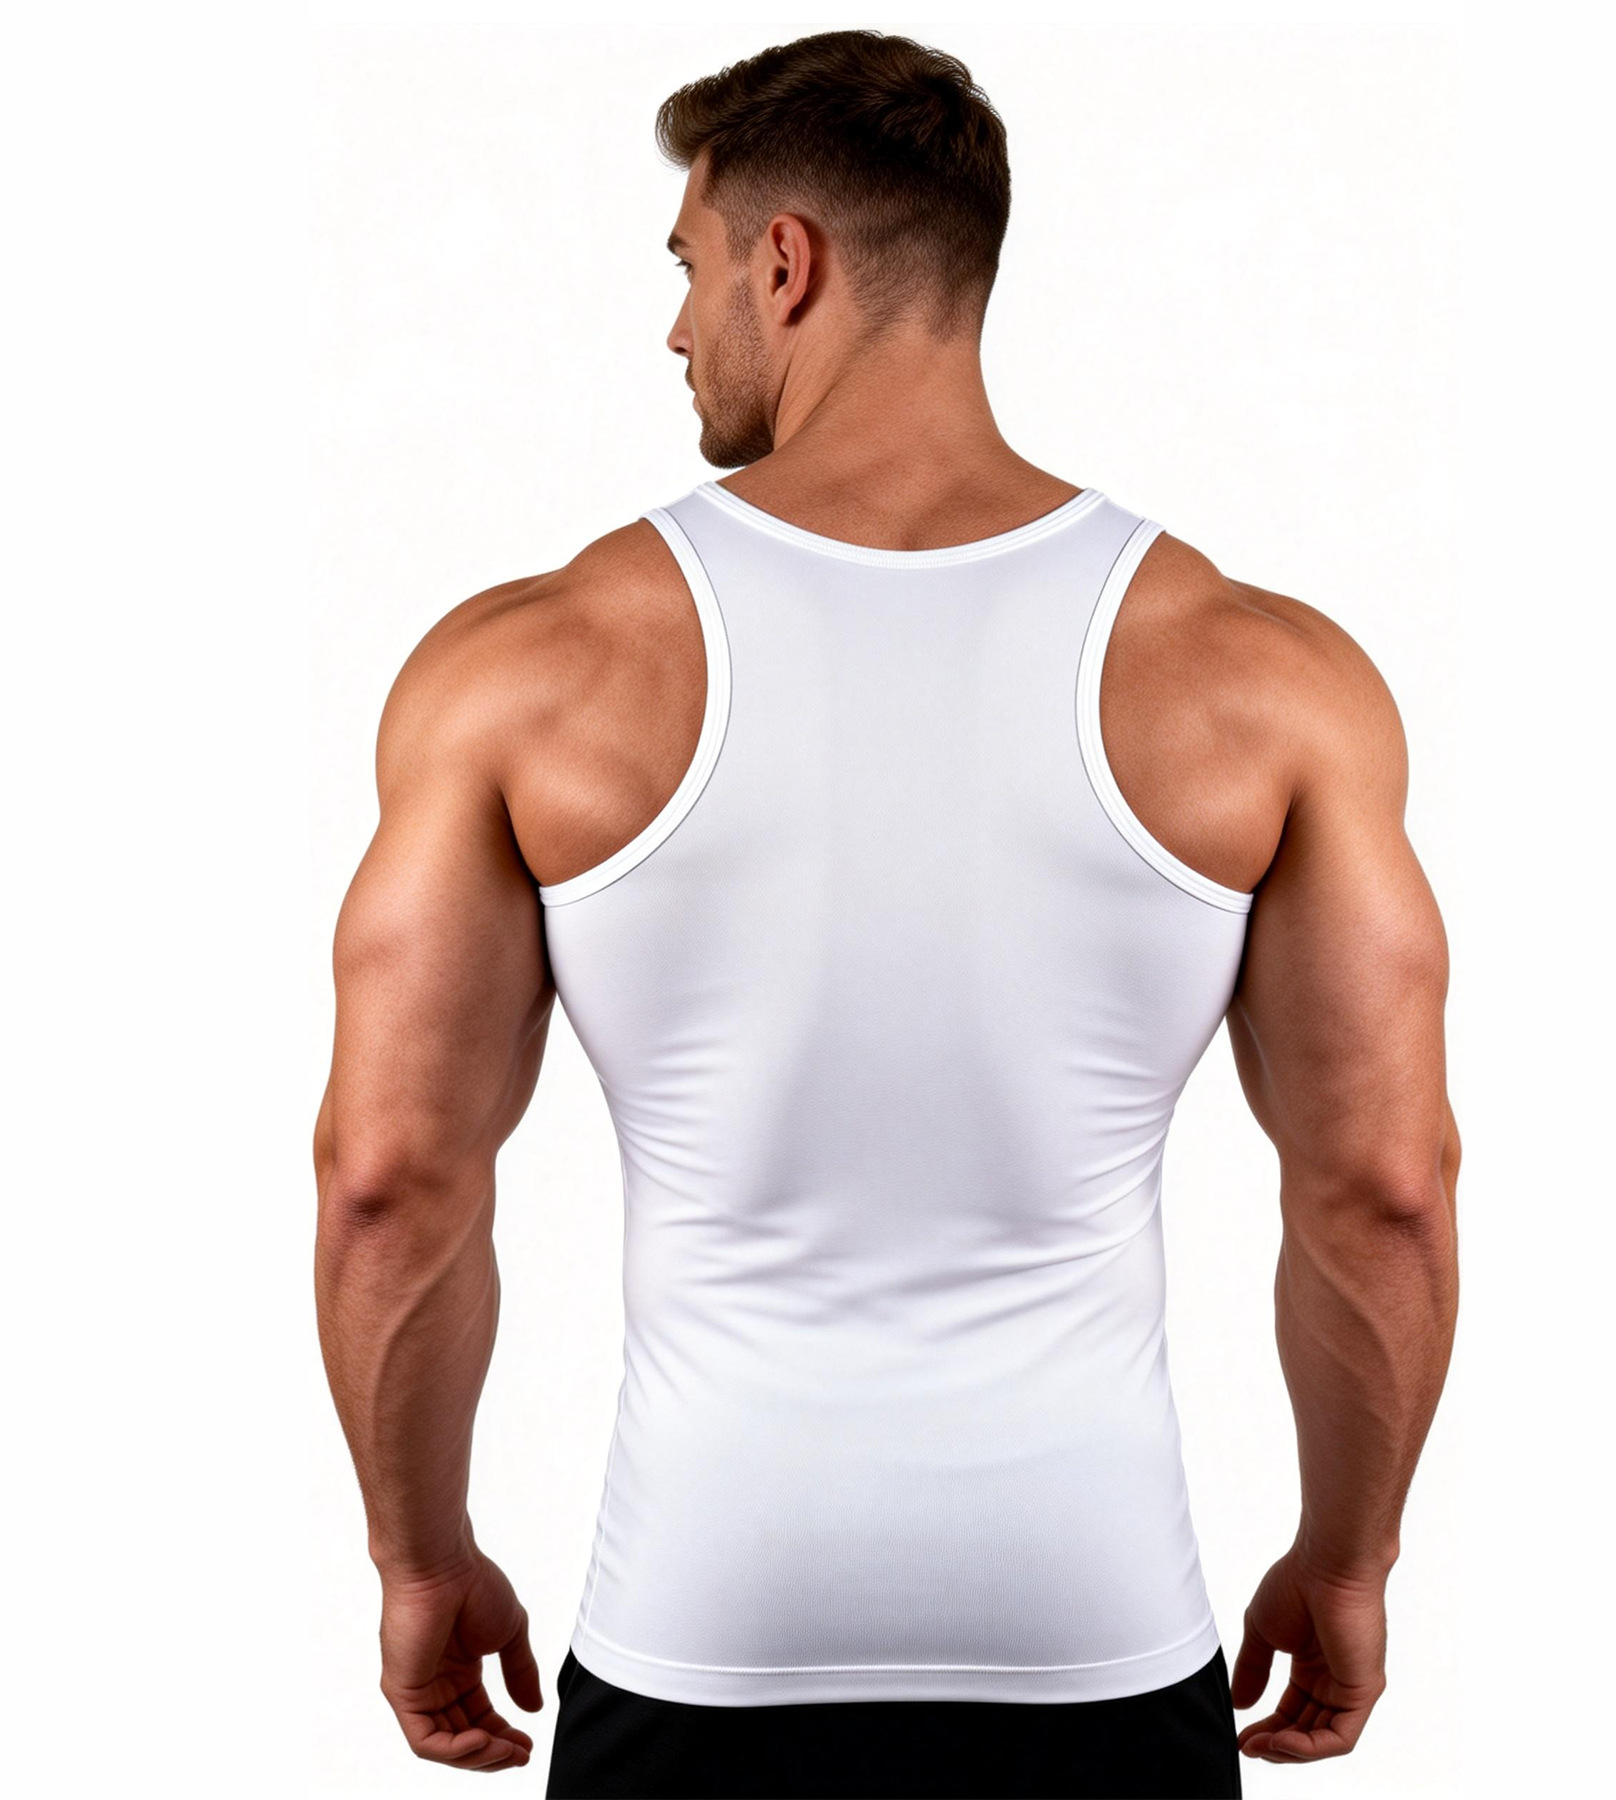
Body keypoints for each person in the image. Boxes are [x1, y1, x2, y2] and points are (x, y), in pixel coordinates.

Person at [313, 28, 1459, 1799]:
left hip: (699, 1636)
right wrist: (1351, 1559)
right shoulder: (1262, 678)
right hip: (1097, 1641)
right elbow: (1383, 1190)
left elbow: (390, 1180)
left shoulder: (531, 670)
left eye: (688, 268)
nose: (676, 331)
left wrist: (416, 1559)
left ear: (785, 263)